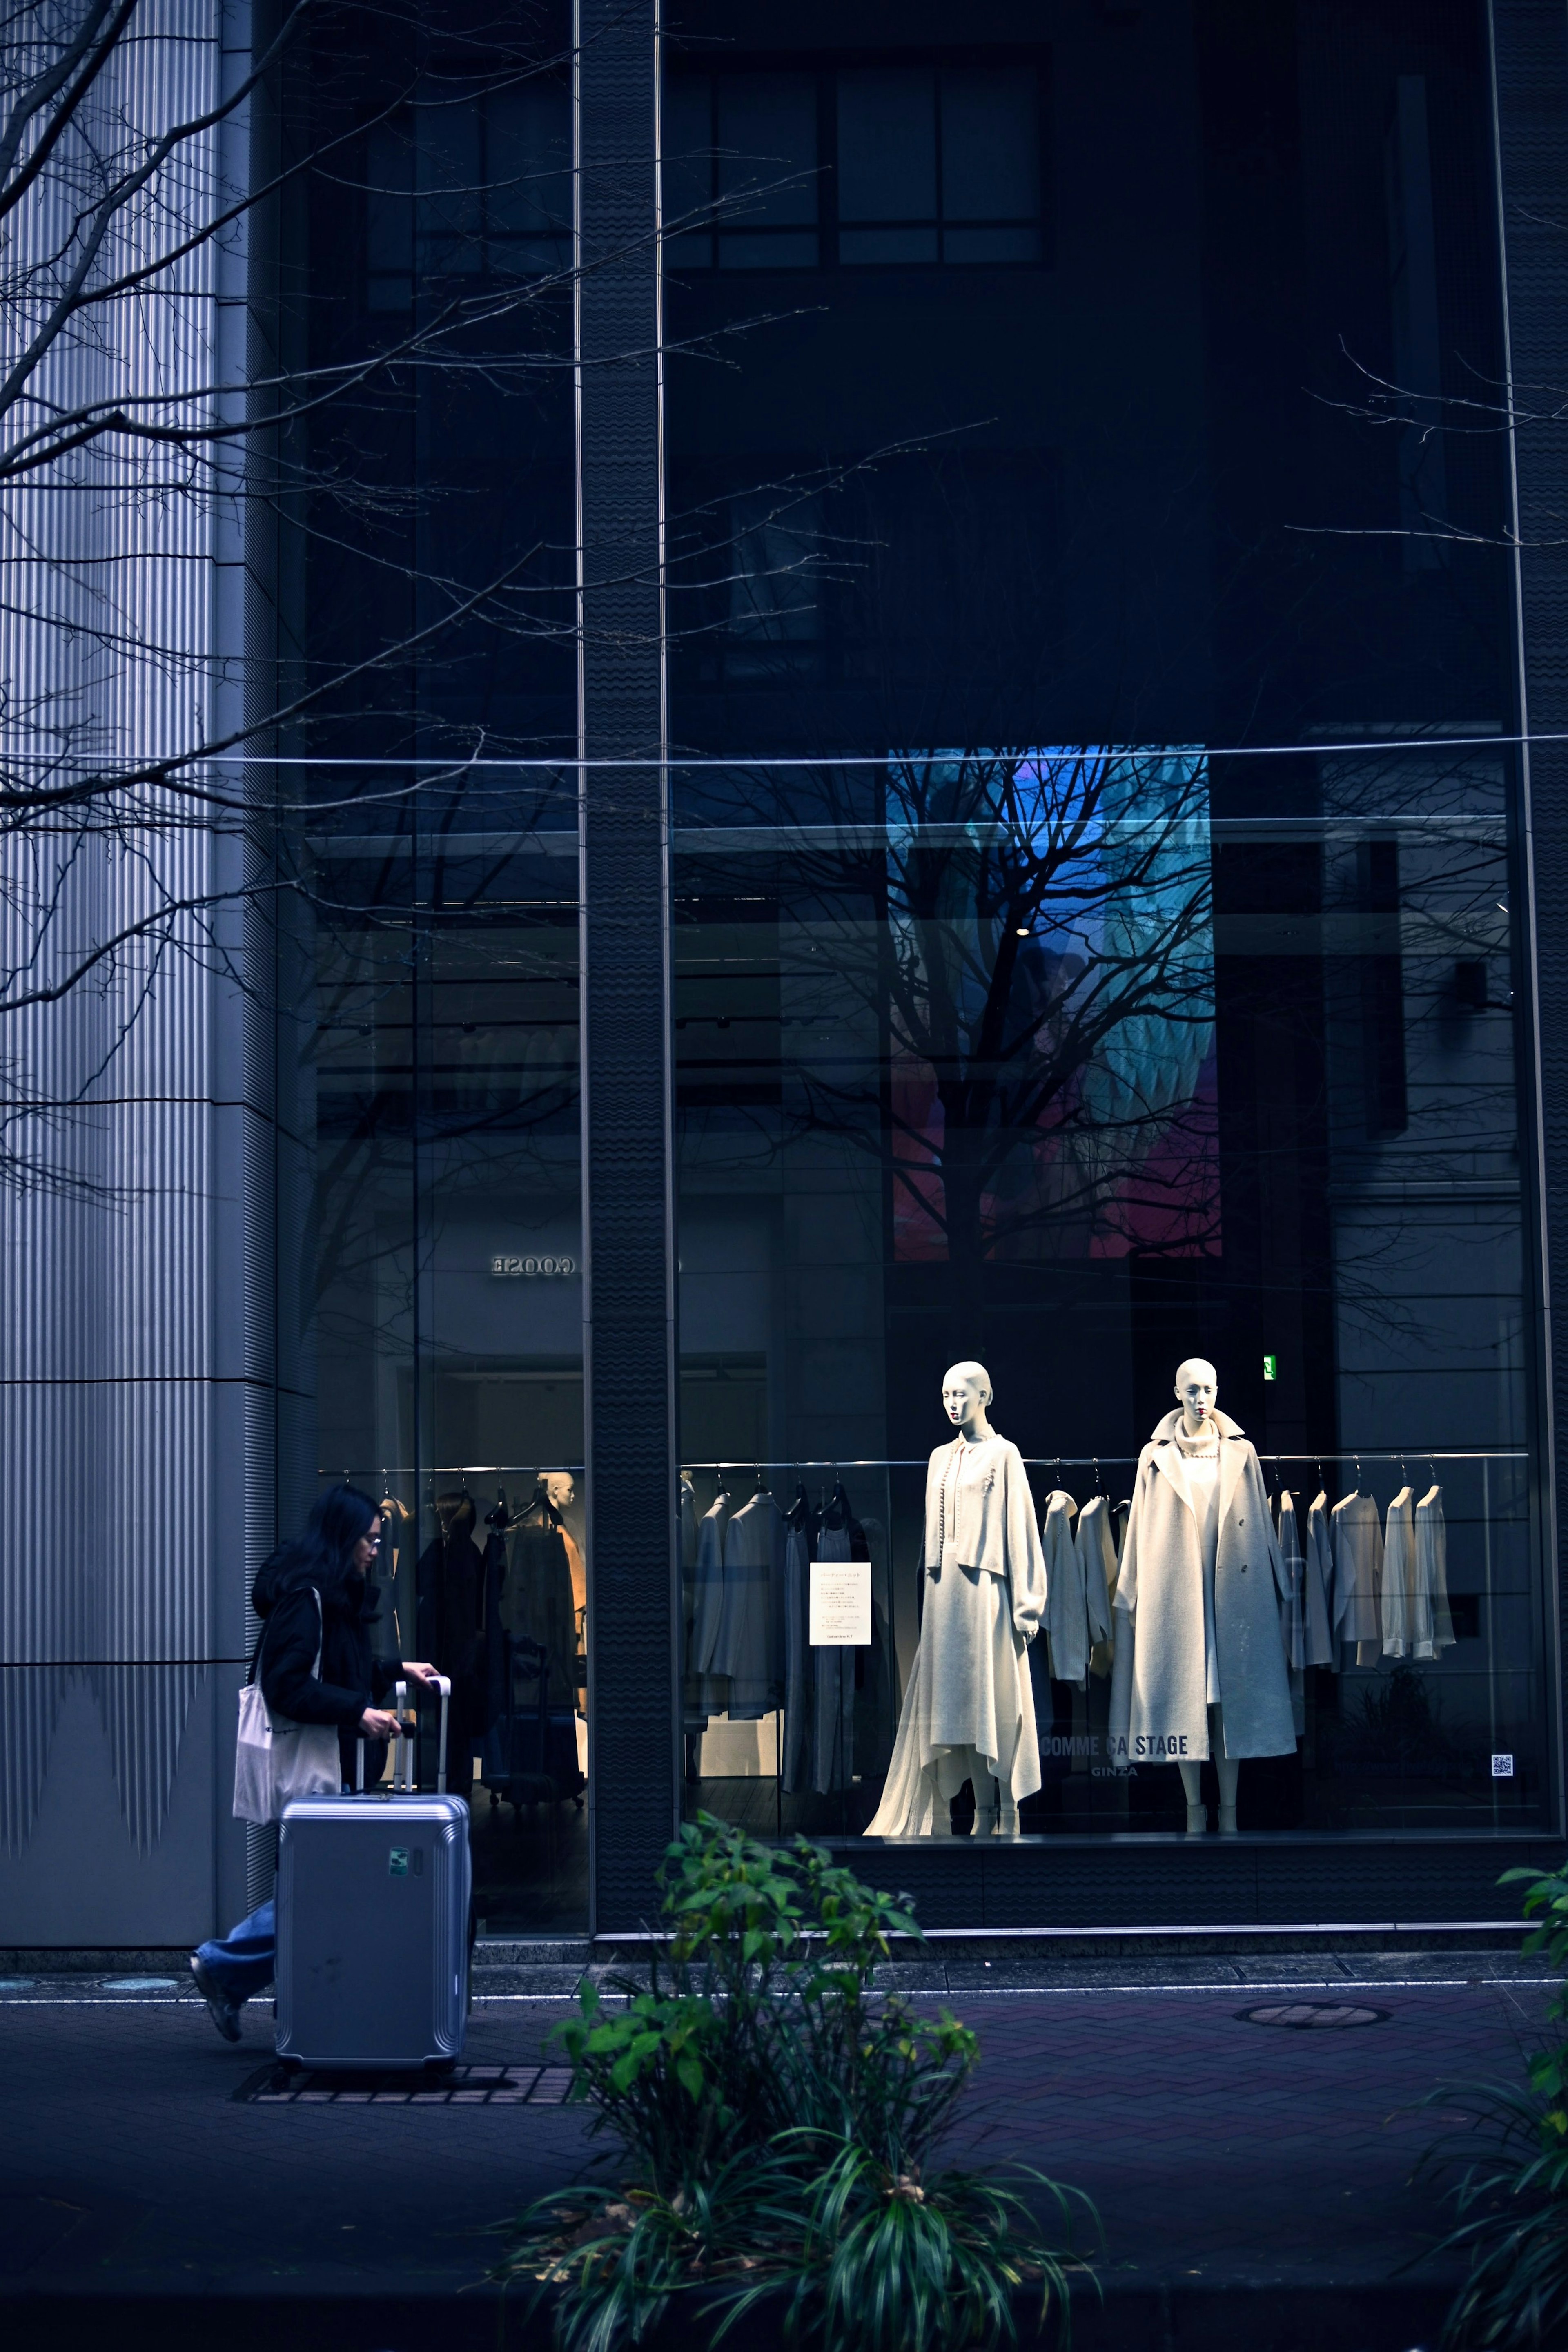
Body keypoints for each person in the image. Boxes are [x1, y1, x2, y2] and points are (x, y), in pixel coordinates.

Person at [189, 1485, 441, 2041]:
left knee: (319, 1892)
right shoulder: (309, 1599)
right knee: (321, 1895)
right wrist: (360, 1713)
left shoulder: (333, 1593)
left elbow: (341, 1671)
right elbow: (287, 1688)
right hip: (318, 1772)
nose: (376, 1550)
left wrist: (399, 1671)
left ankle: (263, 1991)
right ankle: (226, 1968)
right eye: (369, 1540)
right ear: (342, 1537)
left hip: (334, 1770)